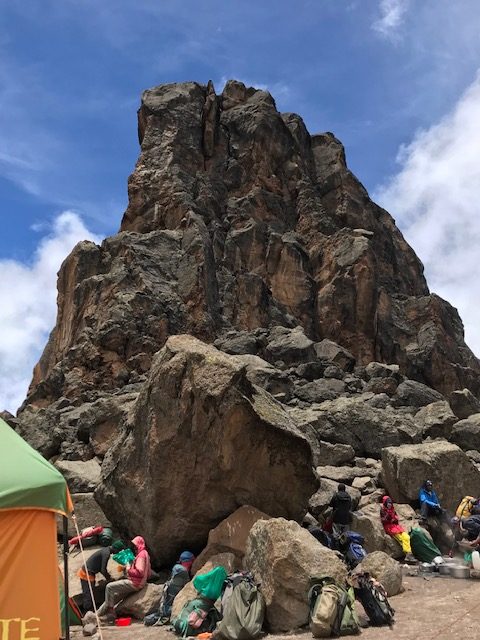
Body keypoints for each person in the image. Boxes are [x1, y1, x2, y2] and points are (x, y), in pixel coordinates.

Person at [97, 535, 151, 621]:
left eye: (135, 545)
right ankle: (97, 615)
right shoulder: (146, 554)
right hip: (140, 582)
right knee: (114, 596)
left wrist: (128, 568)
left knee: (109, 587)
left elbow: (140, 572)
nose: (134, 548)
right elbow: (148, 572)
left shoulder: (141, 556)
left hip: (135, 583)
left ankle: (111, 613)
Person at [77, 540, 124, 612]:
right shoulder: (106, 554)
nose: (117, 553)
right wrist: (109, 578)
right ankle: (87, 614)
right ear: (116, 549)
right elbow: (103, 569)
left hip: (88, 572)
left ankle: (89, 611)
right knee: (88, 595)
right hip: (86, 574)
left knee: (90, 593)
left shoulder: (105, 550)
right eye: (118, 551)